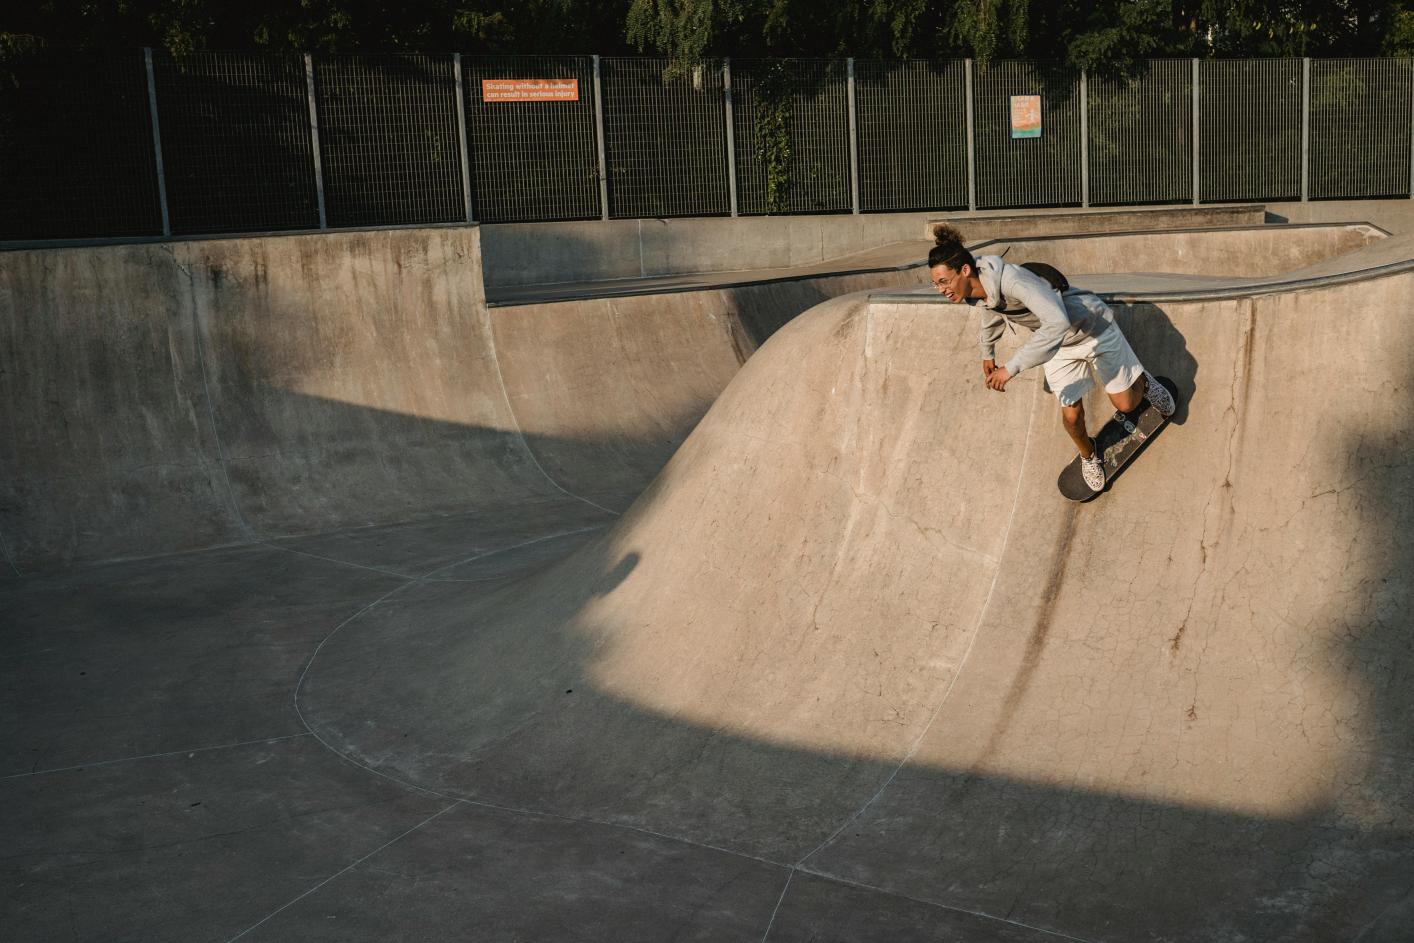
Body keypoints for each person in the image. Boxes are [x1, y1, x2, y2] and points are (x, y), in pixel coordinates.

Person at [927, 223, 1174, 492]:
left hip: (1092, 328)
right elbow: (991, 309)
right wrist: (988, 351)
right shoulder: (977, 289)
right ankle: (1089, 456)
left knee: (1126, 404)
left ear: (964, 271)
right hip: (1058, 347)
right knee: (1071, 418)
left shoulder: (1012, 281)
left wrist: (1011, 368)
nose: (942, 289)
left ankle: (1144, 383)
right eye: (936, 284)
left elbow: (1057, 321)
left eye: (944, 281)